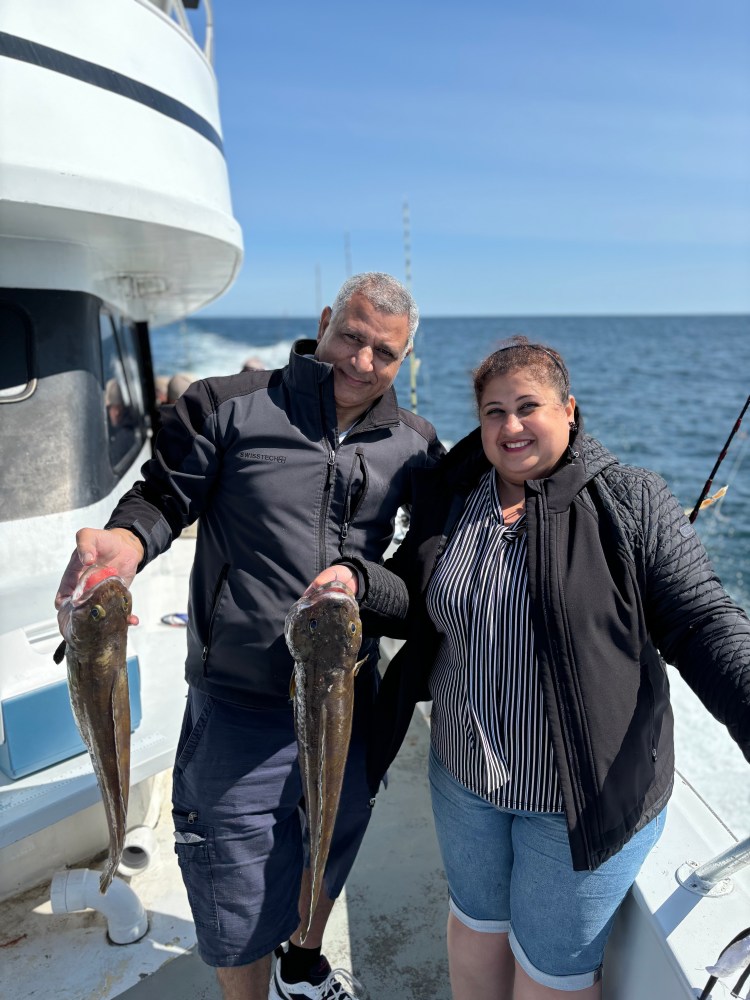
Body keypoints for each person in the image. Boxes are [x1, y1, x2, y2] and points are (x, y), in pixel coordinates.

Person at [307, 335, 750, 999]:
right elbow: (416, 592)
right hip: (463, 776)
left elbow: (701, 622)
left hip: (577, 800)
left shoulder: (633, 500)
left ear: (569, 409)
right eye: (493, 411)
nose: (510, 426)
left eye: (527, 407)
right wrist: (359, 583)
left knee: (549, 978)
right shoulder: (456, 492)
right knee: (474, 931)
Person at [54, 273, 444, 1000]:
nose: (362, 363)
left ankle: (302, 961)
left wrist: (361, 579)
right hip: (240, 702)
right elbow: (163, 497)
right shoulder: (226, 406)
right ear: (325, 321)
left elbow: (420, 571)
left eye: (384, 354)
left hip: (345, 694)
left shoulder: (415, 444)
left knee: (330, 840)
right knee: (233, 886)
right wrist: (126, 547)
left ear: (406, 357)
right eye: (351, 337)